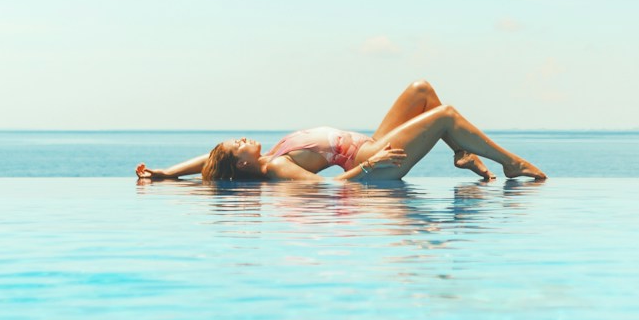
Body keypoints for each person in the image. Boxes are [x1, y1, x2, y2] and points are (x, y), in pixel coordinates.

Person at [134, 80, 547, 184]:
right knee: (445, 114)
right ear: (241, 162)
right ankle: (509, 162)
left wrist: (168, 174)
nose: (242, 138)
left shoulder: (263, 157)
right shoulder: (276, 170)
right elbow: (332, 191)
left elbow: (210, 162)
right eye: (238, 144)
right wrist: (375, 166)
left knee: (421, 90)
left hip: (368, 144)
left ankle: (460, 152)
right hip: (376, 162)